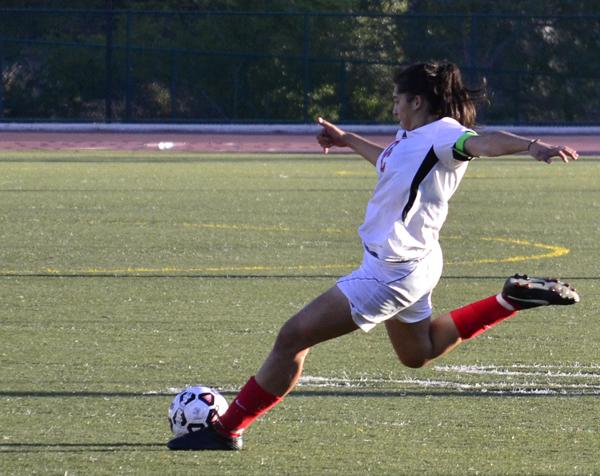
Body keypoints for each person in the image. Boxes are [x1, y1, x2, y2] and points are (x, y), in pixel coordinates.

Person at [167, 61, 580, 451]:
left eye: (398, 99)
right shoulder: (413, 139)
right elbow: (387, 162)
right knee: (418, 353)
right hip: (417, 262)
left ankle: (227, 429)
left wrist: (532, 146)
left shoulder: (444, 135)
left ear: (417, 101)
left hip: (391, 272)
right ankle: (509, 300)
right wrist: (346, 140)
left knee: (293, 337)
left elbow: (483, 141)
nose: (394, 106)